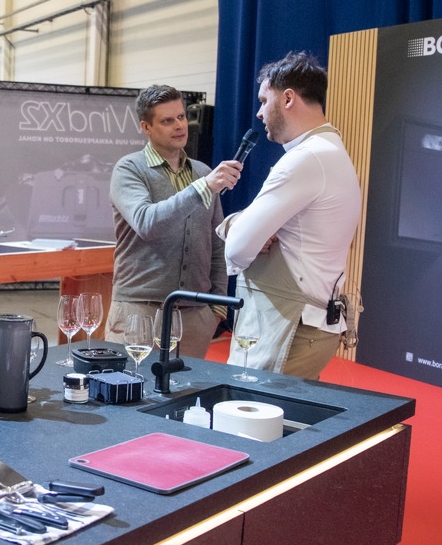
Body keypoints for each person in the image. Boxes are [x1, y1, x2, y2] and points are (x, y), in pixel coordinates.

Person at [218, 51, 362, 378]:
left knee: (256, 409)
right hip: (305, 323)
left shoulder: (306, 159)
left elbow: (237, 249)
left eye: (263, 100)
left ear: (287, 98)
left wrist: (235, 226)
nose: (259, 112)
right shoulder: (329, 153)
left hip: (290, 325)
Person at [106, 84, 242, 357]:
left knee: (186, 385)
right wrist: (202, 188)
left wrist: (216, 308)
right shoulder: (129, 169)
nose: (179, 126)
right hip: (140, 311)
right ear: (146, 127)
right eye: (167, 121)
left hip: (195, 317)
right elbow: (147, 223)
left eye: (181, 117)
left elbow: (216, 243)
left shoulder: (202, 172)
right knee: (130, 383)